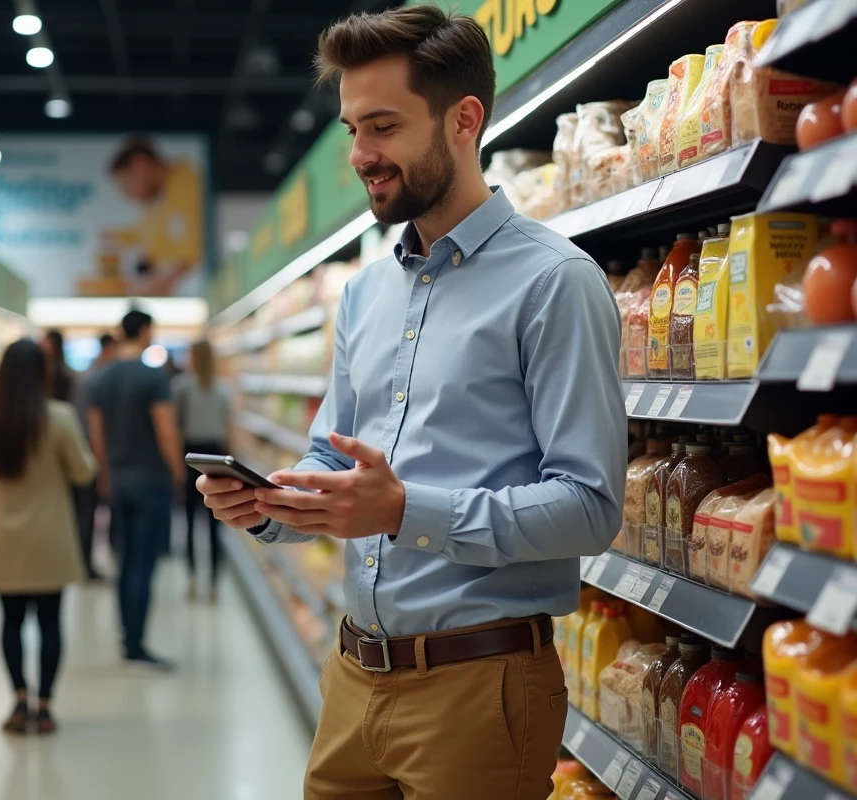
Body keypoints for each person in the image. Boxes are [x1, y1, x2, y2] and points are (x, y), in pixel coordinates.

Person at [197, 8, 625, 799]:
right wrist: (269, 503)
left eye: (384, 127)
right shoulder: (365, 291)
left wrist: (403, 512)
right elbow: (335, 452)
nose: (362, 156)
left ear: (464, 121)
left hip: (480, 685)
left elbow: (591, 507)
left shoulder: (554, 284)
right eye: (353, 130)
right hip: (352, 676)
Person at [0, 338, 97, 734]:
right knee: (49, 622)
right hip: (50, 536)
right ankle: (44, 706)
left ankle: (18, 701)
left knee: (10, 621)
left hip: (3, 538)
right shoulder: (57, 418)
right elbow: (83, 472)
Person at [87, 309, 184, 669]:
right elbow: (166, 429)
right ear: (144, 331)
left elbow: (96, 433)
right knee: (144, 562)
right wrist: (177, 473)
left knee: (124, 559)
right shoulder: (152, 377)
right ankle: (136, 645)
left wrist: (105, 473)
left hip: (119, 480)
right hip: (150, 480)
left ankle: (126, 637)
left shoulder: (102, 377)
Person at [103, 137, 204, 297]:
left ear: (140, 165)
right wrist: (113, 235)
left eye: (125, 186)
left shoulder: (188, 187)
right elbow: (142, 232)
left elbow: (193, 251)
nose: (127, 195)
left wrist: (156, 284)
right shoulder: (161, 199)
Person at [173, 340, 230, 602]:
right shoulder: (223, 389)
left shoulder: (181, 387)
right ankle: (215, 582)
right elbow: (229, 429)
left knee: (189, 520)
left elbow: (175, 428)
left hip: (191, 455)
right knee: (215, 522)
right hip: (217, 456)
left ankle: (192, 576)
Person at [71, 333, 118, 580]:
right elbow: (91, 425)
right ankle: (85, 564)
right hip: (91, 455)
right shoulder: (96, 379)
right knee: (87, 513)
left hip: (91, 452)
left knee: (90, 511)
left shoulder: (89, 377)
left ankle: (88, 560)